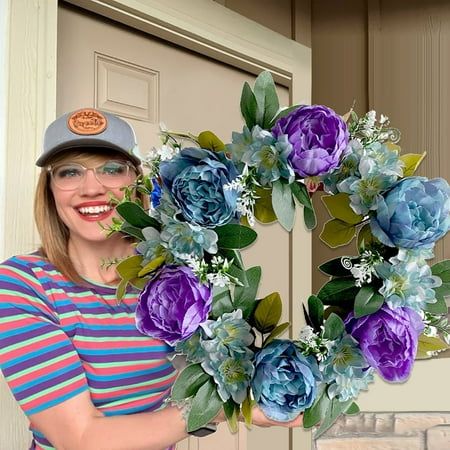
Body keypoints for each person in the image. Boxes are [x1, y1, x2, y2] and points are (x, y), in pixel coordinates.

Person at [0, 108, 302, 450]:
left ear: (136, 181)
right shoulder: (23, 284)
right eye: (69, 172)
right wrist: (211, 410)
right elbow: (80, 438)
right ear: (50, 190)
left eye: (111, 169)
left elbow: (230, 361)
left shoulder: (179, 277)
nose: (90, 187)